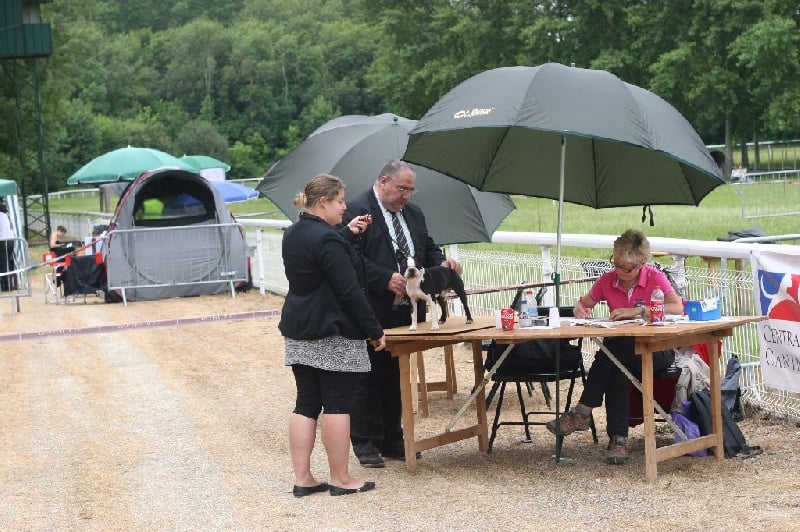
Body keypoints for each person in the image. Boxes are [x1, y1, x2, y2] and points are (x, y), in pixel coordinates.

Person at [343, 159, 462, 468]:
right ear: (383, 182)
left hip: (406, 311)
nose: (406, 196)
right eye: (402, 189)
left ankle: (393, 438)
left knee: (396, 376)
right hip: (371, 306)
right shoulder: (355, 209)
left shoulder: (414, 213)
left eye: (410, 190)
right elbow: (349, 255)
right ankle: (366, 442)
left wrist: (443, 264)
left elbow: (428, 248)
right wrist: (383, 277)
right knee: (367, 377)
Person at [280, 173, 386, 497]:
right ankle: (341, 478)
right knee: (338, 403)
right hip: (333, 330)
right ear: (324, 202)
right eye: (340, 201)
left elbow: (320, 256)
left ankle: (303, 478)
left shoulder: (293, 233)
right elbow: (349, 290)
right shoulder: (328, 240)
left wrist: (346, 234)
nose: (344, 207)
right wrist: (373, 329)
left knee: (306, 403)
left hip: (299, 328)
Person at [545, 229, 683, 465]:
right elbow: (584, 303)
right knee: (617, 364)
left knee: (611, 354)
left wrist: (638, 311)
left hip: (657, 349)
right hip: (621, 352)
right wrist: (580, 309)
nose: (620, 271)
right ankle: (617, 441)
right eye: (616, 264)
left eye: (627, 269)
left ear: (642, 263)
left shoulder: (655, 278)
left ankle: (585, 412)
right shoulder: (607, 280)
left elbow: (677, 307)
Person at [0, 203, 15, 291]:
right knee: (7, 263)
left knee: (3, 263)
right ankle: (7, 285)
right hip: (11, 240)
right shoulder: (6, 216)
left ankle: (5, 285)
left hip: (3, 241)